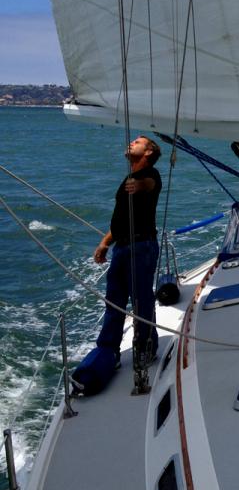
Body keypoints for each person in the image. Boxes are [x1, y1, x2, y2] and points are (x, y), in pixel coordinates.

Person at [93, 136, 162, 366]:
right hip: (121, 248)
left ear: (149, 152)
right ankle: (108, 351)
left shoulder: (150, 175)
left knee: (141, 300)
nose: (131, 143)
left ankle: (146, 347)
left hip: (141, 247)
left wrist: (139, 186)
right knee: (114, 301)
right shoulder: (128, 178)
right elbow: (121, 218)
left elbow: (149, 185)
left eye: (138, 142)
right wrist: (105, 242)